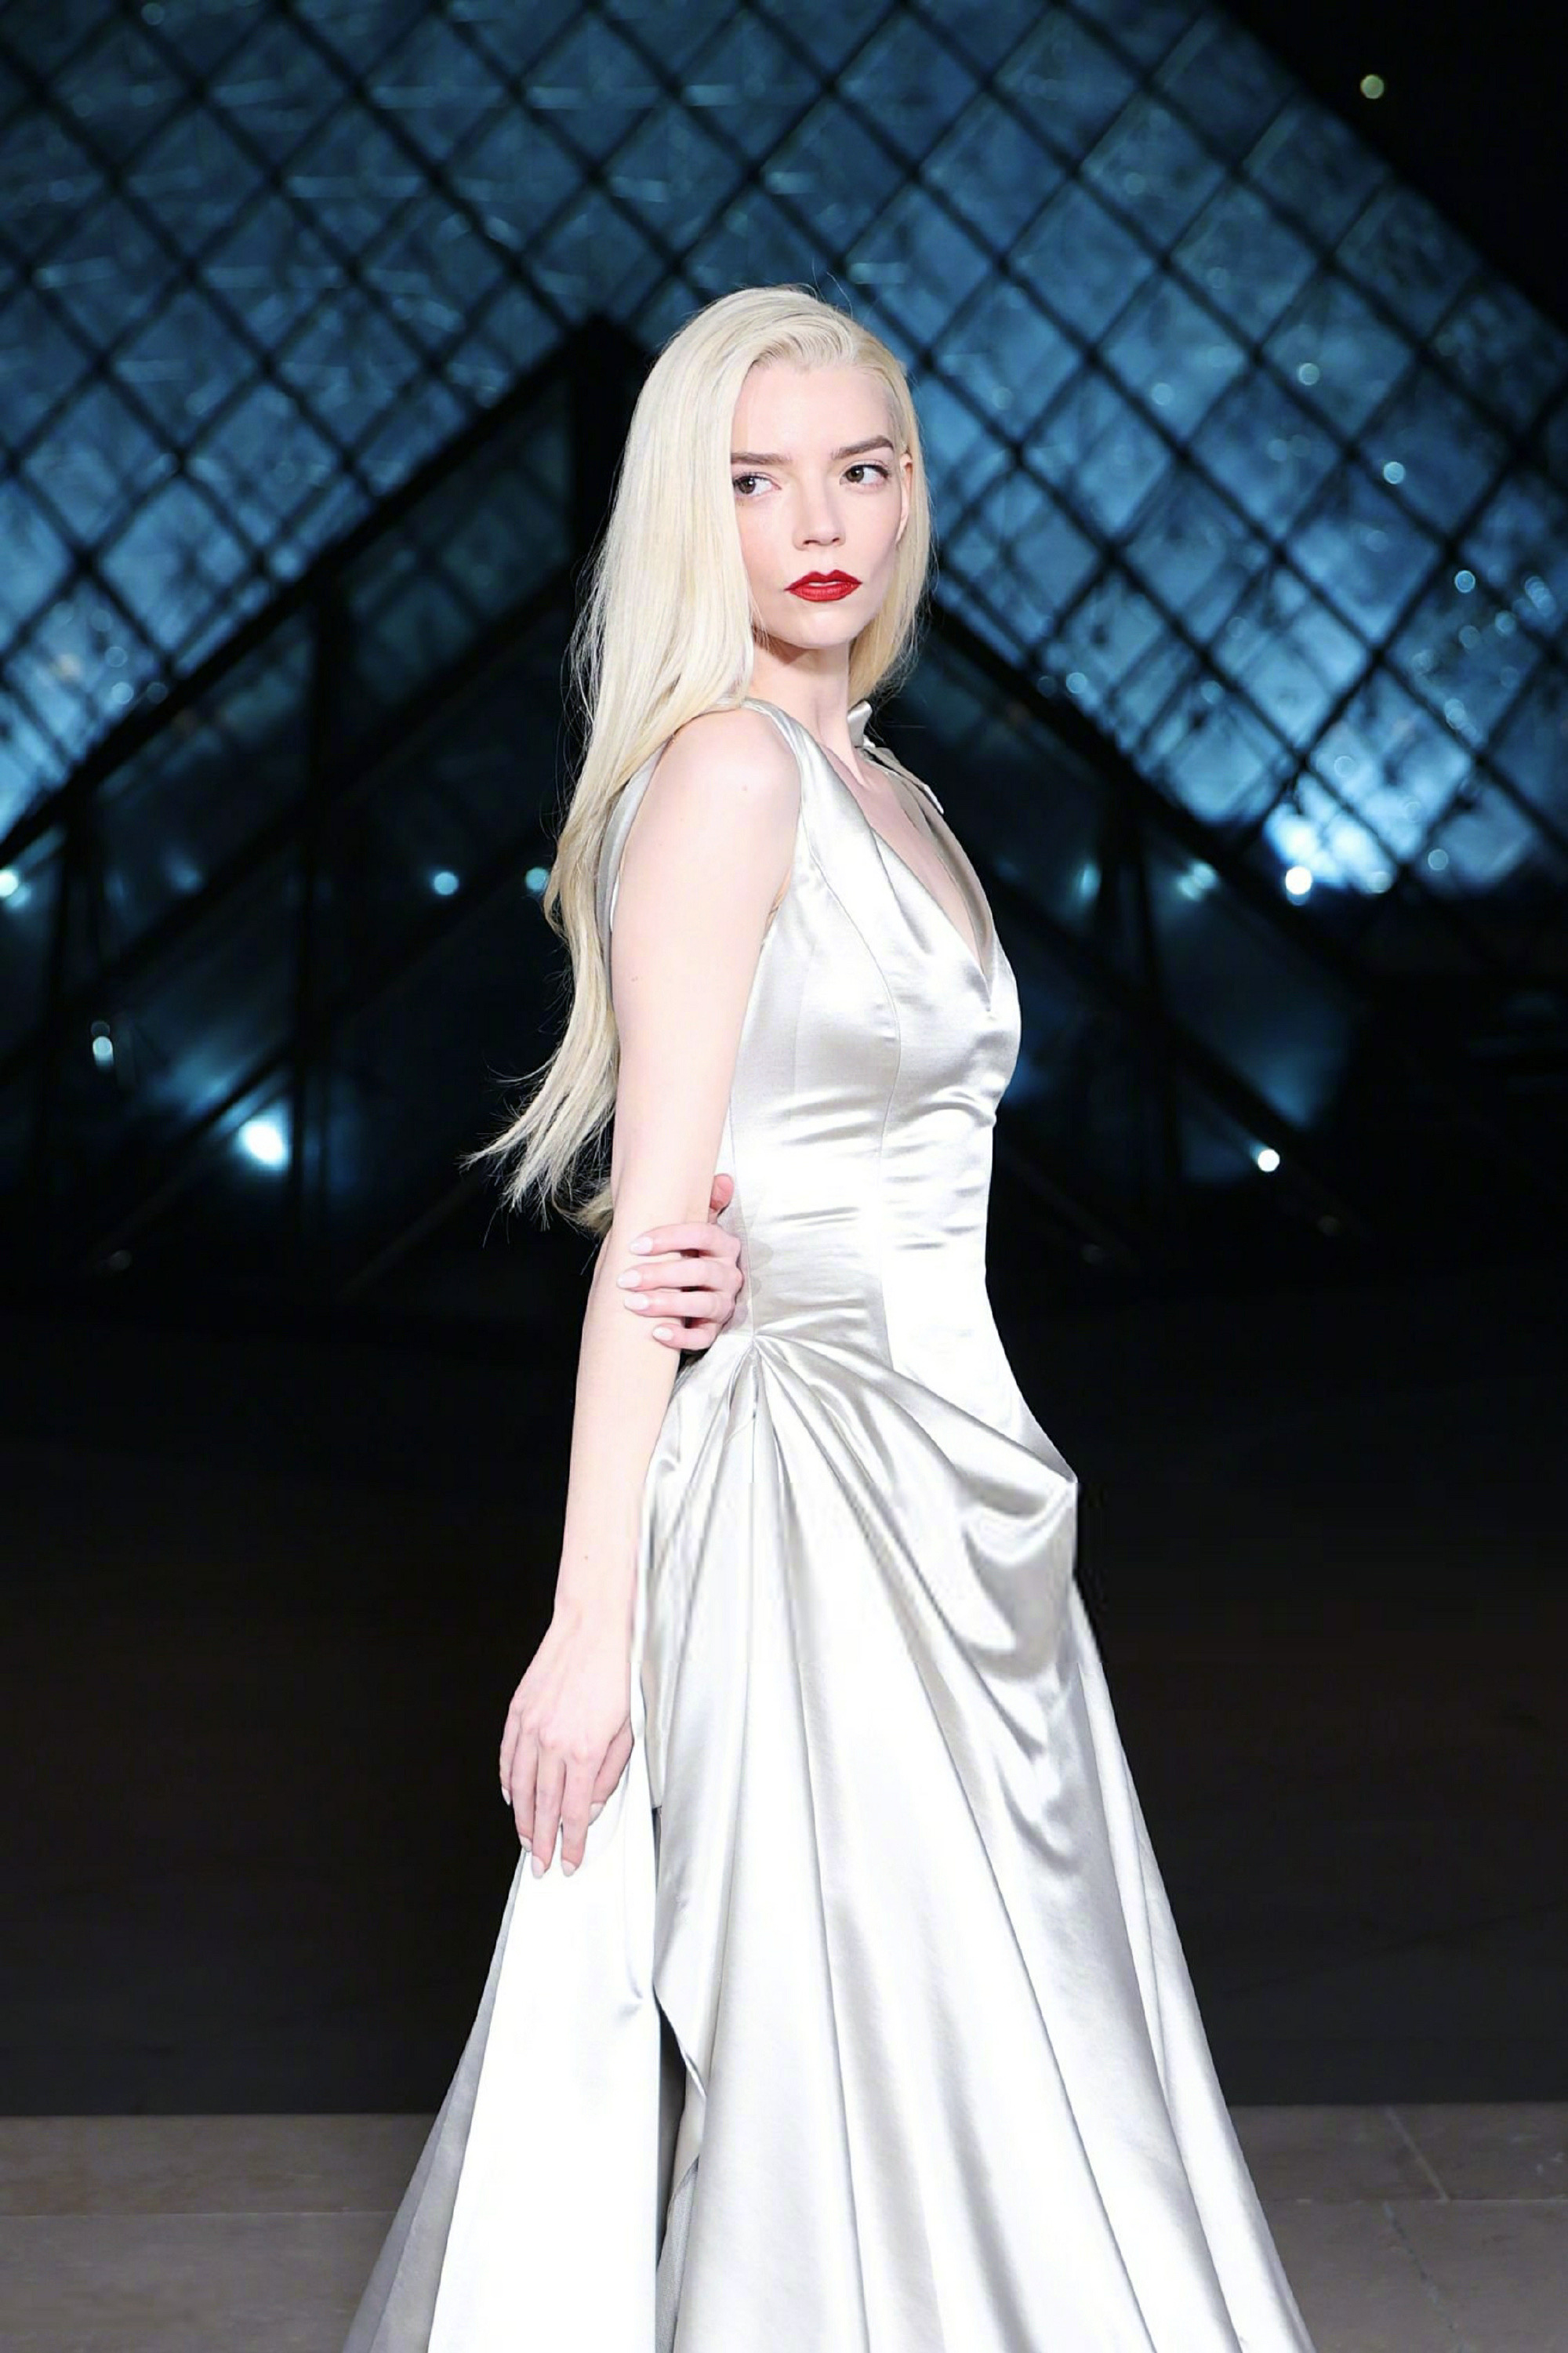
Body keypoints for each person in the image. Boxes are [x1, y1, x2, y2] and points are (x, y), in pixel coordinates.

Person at [343, 285, 1317, 2351]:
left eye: (862, 470)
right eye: (756, 478)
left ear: (909, 492)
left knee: (1011, 2033)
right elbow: (655, 1236)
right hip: (805, 1492)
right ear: (690, 514)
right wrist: (589, 1627)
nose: (820, 523)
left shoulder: (893, 791)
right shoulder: (729, 776)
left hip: (966, 1487)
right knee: (857, 2047)